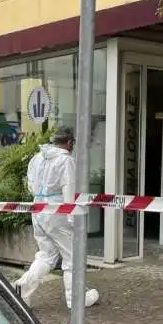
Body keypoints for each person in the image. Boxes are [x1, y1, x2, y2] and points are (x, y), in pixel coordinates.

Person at [13, 126, 100, 309]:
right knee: (72, 256)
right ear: (69, 142)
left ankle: (22, 289)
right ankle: (76, 299)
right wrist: (72, 216)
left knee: (46, 255)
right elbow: (68, 188)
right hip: (58, 212)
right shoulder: (65, 160)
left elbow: (30, 187)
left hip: (38, 210)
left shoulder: (37, 158)